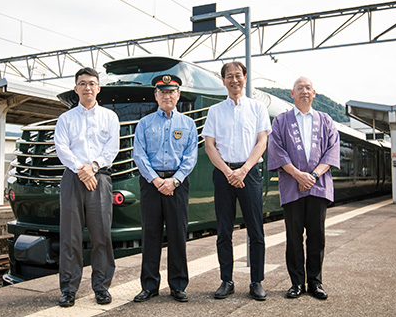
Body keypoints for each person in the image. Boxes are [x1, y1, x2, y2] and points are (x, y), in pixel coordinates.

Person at [202, 61, 271, 301]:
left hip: (249, 172)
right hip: (223, 174)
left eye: (238, 75)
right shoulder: (215, 111)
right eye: (229, 76)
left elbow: (262, 142)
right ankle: (226, 281)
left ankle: (256, 282)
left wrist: (243, 170)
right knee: (223, 230)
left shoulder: (257, 108)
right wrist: (228, 172)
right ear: (223, 81)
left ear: (245, 77)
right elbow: (209, 145)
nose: (234, 80)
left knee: (256, 230)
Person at [267, 76, 340, 300]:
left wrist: (313, 175)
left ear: (314, 93)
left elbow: (332, 150)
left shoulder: (325, 120)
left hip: (318, 187)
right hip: (292, 186)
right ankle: (296, 283)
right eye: (300, 88)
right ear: (292, 93)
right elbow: (276, 149)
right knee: (294, 236)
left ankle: (315, 282)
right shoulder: (281, 120)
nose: (304, 92)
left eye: (308, 88)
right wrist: (298, 174)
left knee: (317, 236)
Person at [54, 67, 120, 307]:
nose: (87, 88)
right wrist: (82, 170)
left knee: (101, 235)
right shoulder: (66, 119)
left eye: (92, 83)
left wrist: (93, 167)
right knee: (70, 237)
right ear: (76, 89)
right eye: (82, 83)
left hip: (99, 178)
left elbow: (111, 149)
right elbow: (62, 148)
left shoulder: (109, 117)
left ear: (98, 88)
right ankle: (68, 289)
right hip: (73, 177)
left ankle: (101, 288)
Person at [132, 74, 198, 303]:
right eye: (163, 92)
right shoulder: (144, 123)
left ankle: (178, 285)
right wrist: (156, 181)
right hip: (151, 184)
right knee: (150, 234)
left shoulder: (188, 124)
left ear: (178, 95)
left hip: (177, 185)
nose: (167, 96)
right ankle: (149, 286)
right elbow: (138, 155)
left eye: (171, 92)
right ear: (156, 95)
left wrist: (174, 181)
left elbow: (190, 157)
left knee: (178, 235)